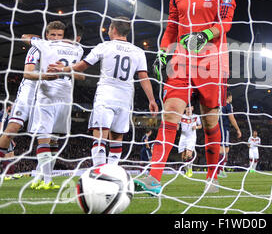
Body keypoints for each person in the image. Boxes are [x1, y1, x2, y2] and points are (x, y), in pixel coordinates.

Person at [137, 0, 236, 194]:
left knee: (211, 120)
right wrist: (162, 51)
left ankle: (212, 177)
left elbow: (225, 23)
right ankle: (154, 178)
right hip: (181, 61)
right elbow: (171, 27)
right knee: (170, 114)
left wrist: (205, 35)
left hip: (212, 63)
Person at [48, 16, 159, 169]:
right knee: (117, 138)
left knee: (100, 137)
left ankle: (100, 172)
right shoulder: (138, 51)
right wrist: (152, 100)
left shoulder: (104, 46)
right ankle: (112, 172)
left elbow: (81, 66)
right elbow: (143, 77)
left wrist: (63, 69)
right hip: (125, 99)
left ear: (113, 29)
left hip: (106, 96)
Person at [0, 21, 66, 186]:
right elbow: (27, 74)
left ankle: (44, 178)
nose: (55, 38)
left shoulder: (62, 52)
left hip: (46, 95)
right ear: (46, 35)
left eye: (59, 35)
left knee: (49, 138)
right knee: (12, 130)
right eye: (52, 35)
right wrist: (45, 76)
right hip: (28, 93)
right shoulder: (37, 48)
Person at [26, 21, 84, 190]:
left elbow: (24, 38)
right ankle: (41, 176)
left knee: (44, 138)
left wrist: (33, 39)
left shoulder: (45, 45)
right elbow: (81, 76)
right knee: (54, 140)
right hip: (66, 97)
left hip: (47, 95)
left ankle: (46, 179)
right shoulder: (79, 49)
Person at [218, 92, 241, 178]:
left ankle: (219, 169)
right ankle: (220, 170)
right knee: (225, 150)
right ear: (229, 97)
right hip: (224, 128)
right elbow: (232, 118)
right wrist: (238, 129)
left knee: (220, 149)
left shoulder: (218, 105)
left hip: (216, 129)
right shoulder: (228, 105)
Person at [177, 105, 202, 177]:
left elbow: (200, 126)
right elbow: (177, 126)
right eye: (187, 107)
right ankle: (185, 169)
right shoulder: (181, 116)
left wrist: (196, 127)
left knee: (189, 154)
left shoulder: (196, 116)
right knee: (183, 156)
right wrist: (176, 127)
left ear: (193, 108)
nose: (188, 109)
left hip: (192, 137)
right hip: (183, 137)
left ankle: (190, 169)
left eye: (190, 107)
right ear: (185, 108)